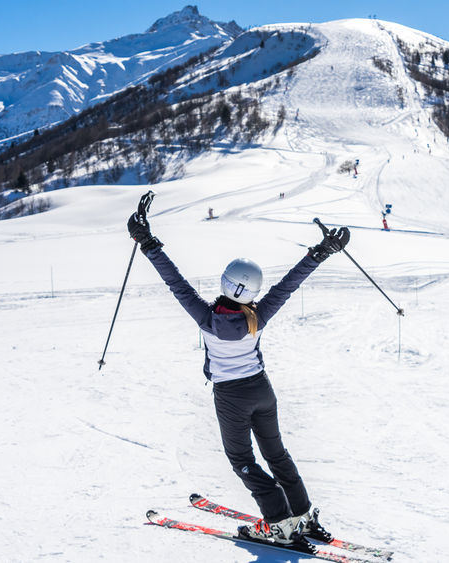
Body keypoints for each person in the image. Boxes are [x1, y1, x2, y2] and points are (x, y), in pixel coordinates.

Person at [126, 194, 348, 548]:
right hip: (262, 390)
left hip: (231, 396)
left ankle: (279, 522)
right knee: (276, 453)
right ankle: (303, 516)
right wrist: (320, 253)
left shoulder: (206, 317)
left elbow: (176, 282)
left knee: (242, 458)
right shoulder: (258, 315)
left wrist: (147, 243)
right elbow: (288, 285)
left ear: (225, 283)